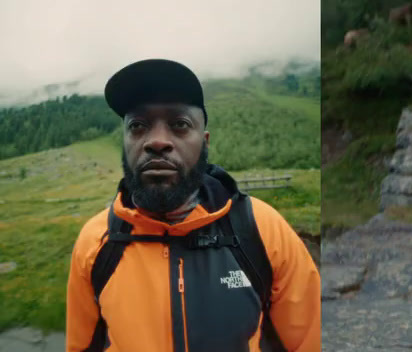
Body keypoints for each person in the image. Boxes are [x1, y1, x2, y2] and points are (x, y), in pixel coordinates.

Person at [65, 59, 321, 352]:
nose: (157, 141)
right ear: (124, 141)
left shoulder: (263, 229)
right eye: (137, 126)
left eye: (180, 125)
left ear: (205, 142)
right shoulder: (95, 243)